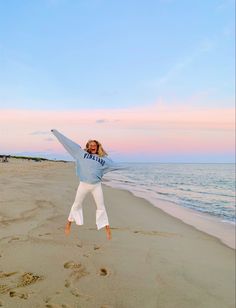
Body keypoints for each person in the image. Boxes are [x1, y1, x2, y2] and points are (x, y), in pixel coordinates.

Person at [51, 129, 124, 240]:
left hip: (96, 186)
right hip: (83, 185)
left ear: (97, 146)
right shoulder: (81, 154)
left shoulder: (104, 159)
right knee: (76, 204)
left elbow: (117, 166)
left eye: (94, 145)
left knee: (101, 207)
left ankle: (107, 229)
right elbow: (68, 143)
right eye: (90, 145)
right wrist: (56, 133)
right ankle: (68, 224)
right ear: (88, 146)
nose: (92, 146)